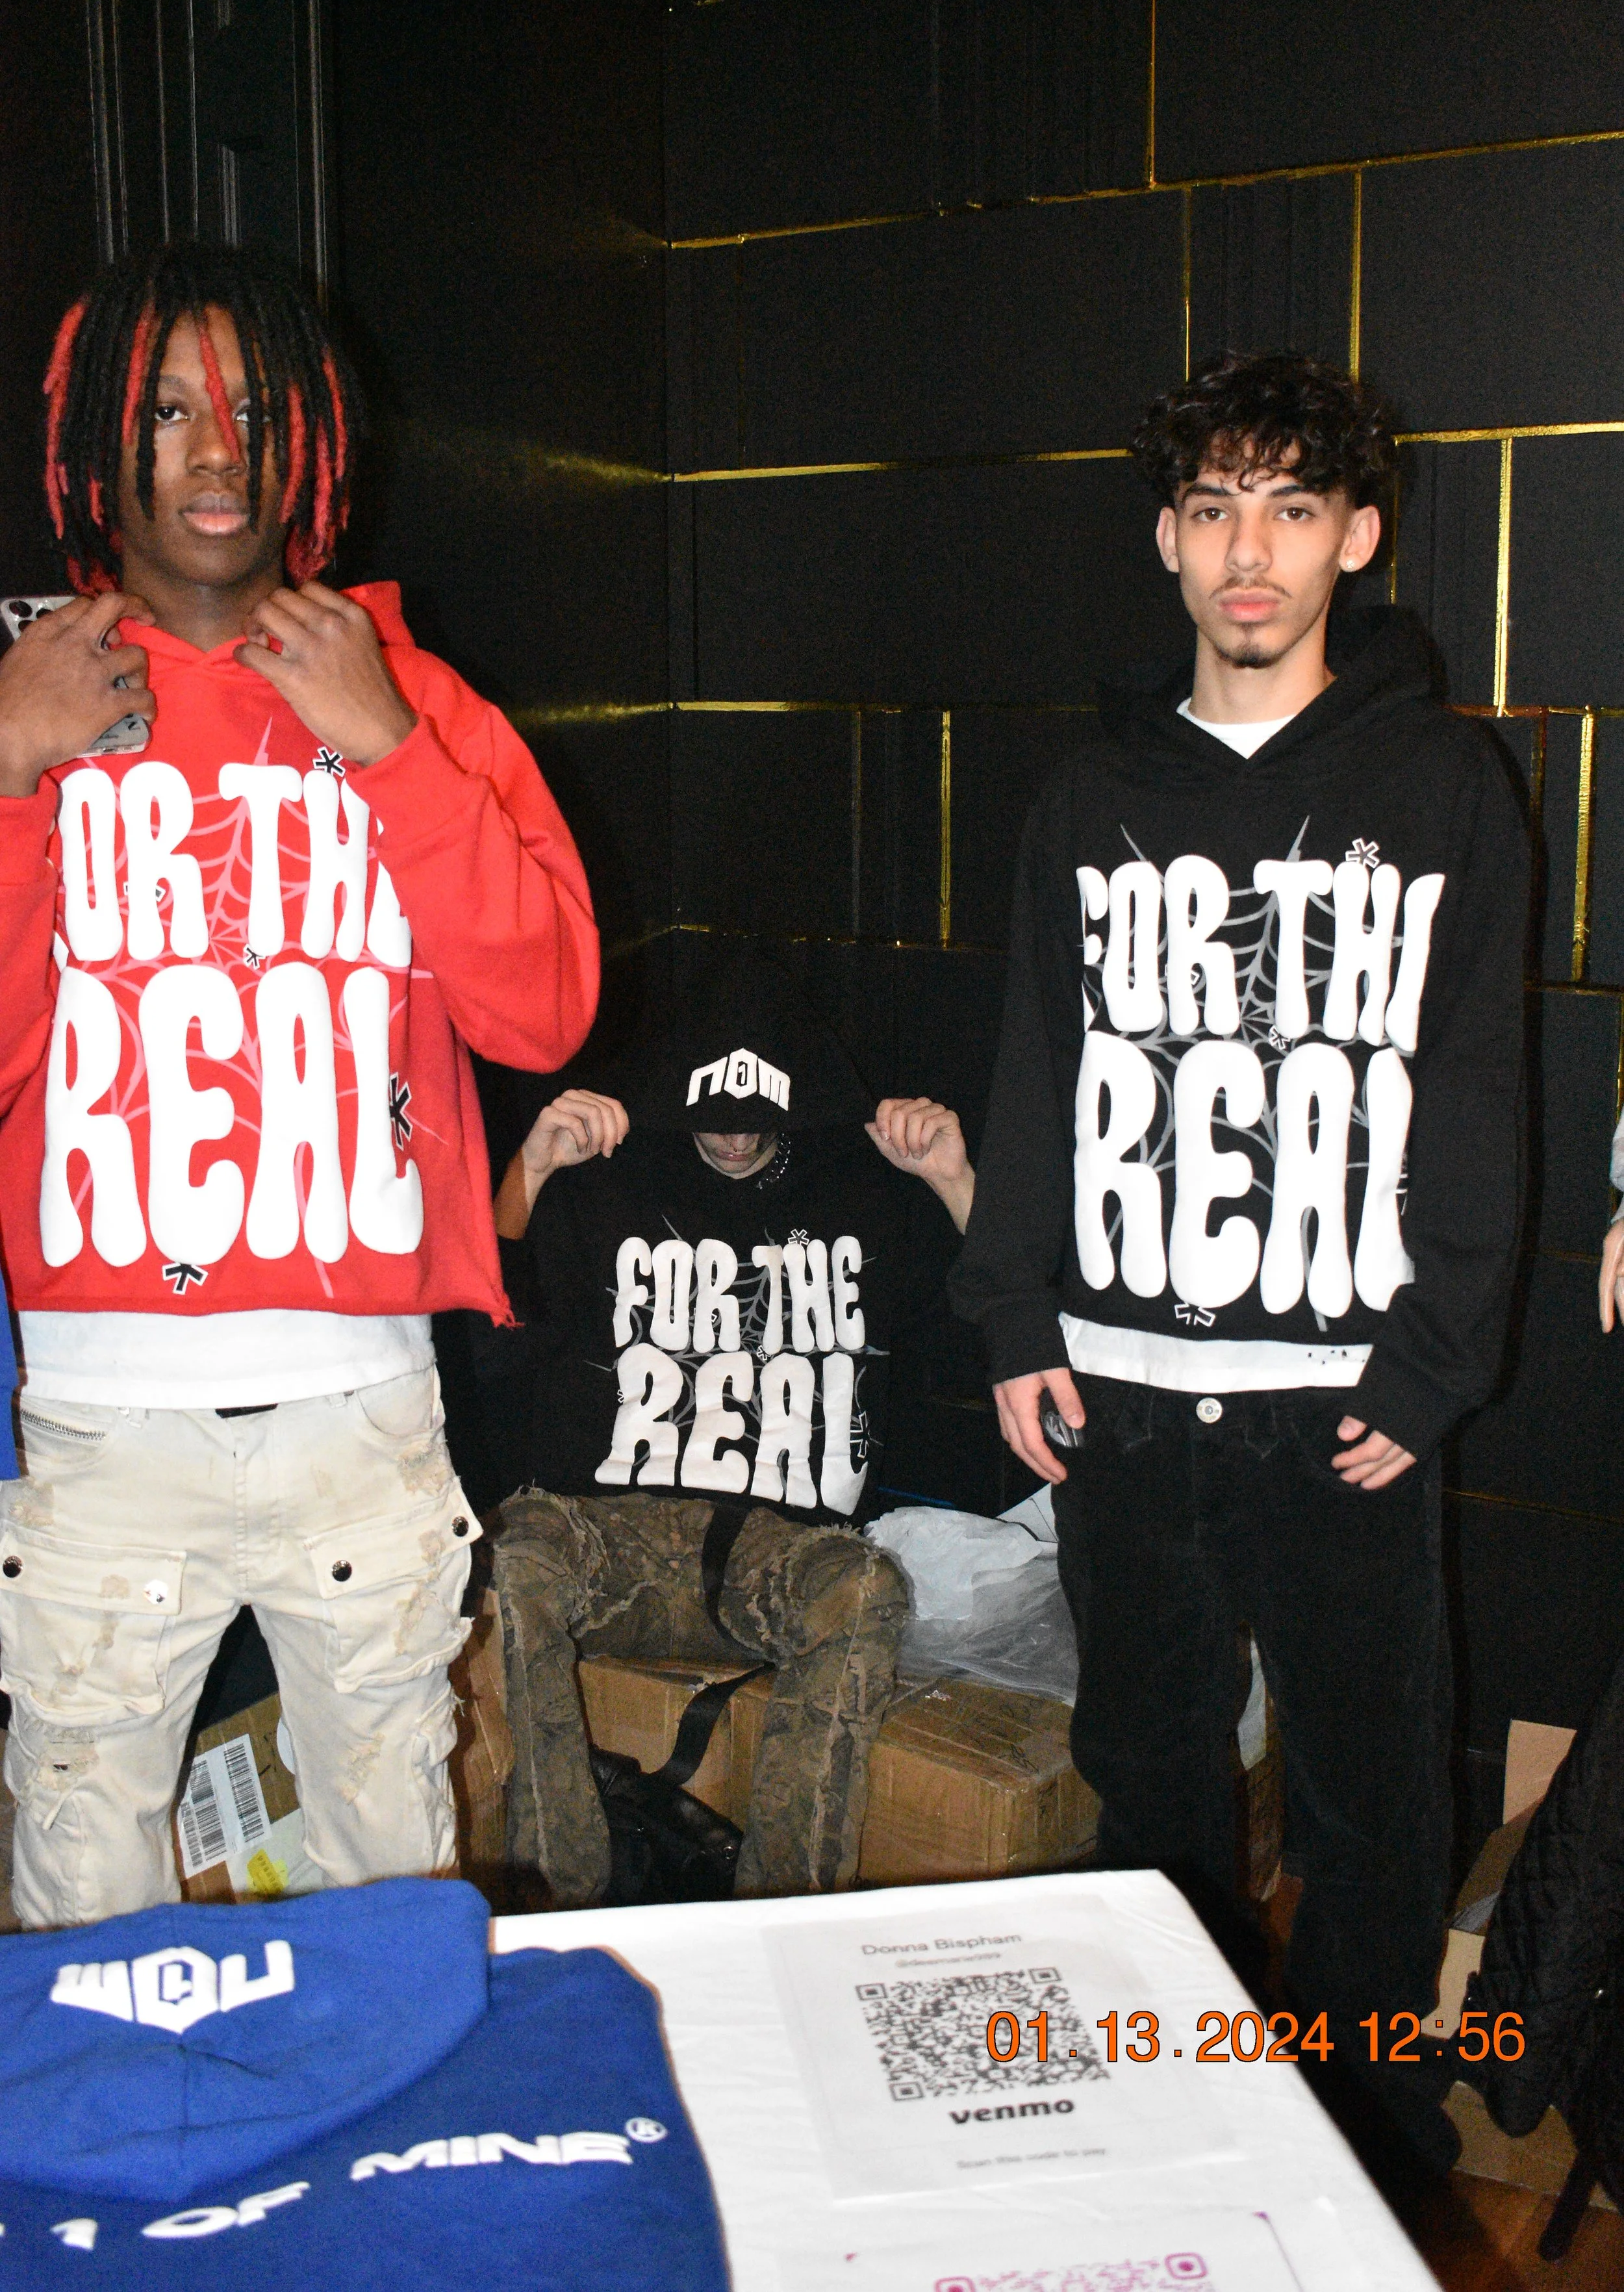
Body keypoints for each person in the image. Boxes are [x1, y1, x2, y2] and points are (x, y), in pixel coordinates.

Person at [950, 351, 1529, 2174]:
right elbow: (1034, 1062)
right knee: (1149, 1788)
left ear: (1355, 535)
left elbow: (1478, 1087)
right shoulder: (1084, 793)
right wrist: (1009, 1313)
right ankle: (1168, 2123)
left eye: (1289, 506)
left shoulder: (1444, 783)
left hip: (1339, 1409)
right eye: (1211, 508)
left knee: (1370, 1809)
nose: (1248, 549)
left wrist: (1433, 1361)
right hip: (1122, 1389)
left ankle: (1360, 2146)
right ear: (1164, 539)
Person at [0, 242, 598, 1926]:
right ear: (92, 443)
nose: (210, 451)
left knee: (383, 1881)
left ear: (313, 442)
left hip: (359, 1408)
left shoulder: (420, 699)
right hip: (107, 1415)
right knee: (83, 1897)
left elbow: (543, 1008)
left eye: (251, 412)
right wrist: (8, 772)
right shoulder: (27, 701)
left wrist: (390, 749)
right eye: (166, 409)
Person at [491, 953, 975, 1903]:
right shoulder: (605, 1174)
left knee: (866, 1587)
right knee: (513, 1560)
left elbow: (998, 1346)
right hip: (610, 1530)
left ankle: (782, 1917)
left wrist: (957, 1183)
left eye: (760, 1117)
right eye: (717, 1111)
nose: (737, 1136)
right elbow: (475, 1318)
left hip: (784, 1549)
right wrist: (534, 1166)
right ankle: (560, 1900)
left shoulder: (866, 1186)